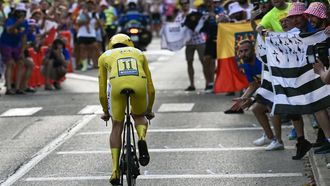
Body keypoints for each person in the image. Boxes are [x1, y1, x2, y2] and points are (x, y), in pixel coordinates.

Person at [98, 33, 155, 185]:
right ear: (129, 44)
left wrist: (105, 111)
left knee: (117, 126)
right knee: (139, 116)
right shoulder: (139, 53)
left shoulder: (104, 56)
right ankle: (141, 138)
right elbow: (150, 86)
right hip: (139, 85)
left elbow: (102, 88)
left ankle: (115, 170)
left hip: (116, 86)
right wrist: (149, 109)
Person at [175, 0, 205, 91]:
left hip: (199, 40)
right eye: (183, 4)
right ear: (180, 5)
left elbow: (202, 23)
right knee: (189, 62)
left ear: (189, 4)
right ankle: (192, 84)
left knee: (204, 62)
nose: (185, 5)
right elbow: (177, 29)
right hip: (189, 43)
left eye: (186, 3)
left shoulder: (195, 13)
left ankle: (209, 83)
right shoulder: (179, 17)